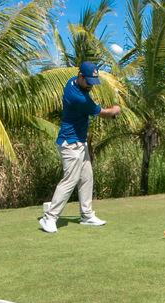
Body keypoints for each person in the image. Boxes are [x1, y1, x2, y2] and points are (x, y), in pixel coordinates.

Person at [39, 62, 121, 234]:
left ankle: (86, 215)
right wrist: (114, 110)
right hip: (70, 144)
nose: (91, 85)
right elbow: (102, 113)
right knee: (70, 180)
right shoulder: (79, 98)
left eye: (93, 81)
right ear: (80, 76)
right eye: (88, 81)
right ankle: (50, 217)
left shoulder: (72, 82)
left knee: (87, 178)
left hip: (80, 144)